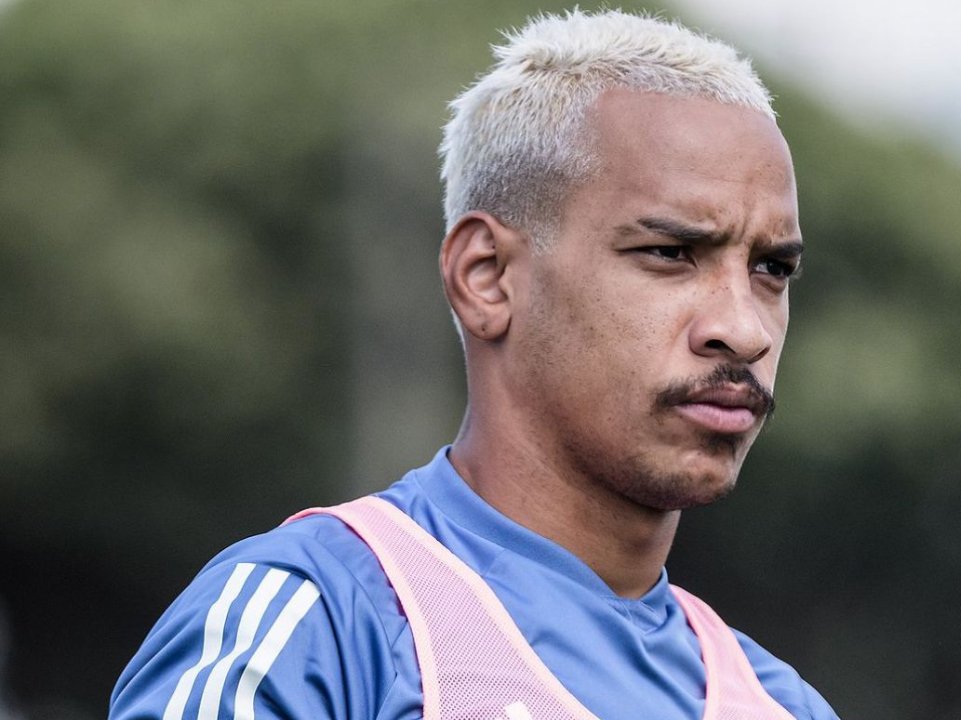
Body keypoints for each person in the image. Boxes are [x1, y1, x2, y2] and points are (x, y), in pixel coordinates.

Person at [110, 9, 838, 720]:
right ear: (486, 277)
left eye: (771, 269)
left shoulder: (785, 704)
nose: (743, 329)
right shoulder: (313, 628)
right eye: (670, 253)